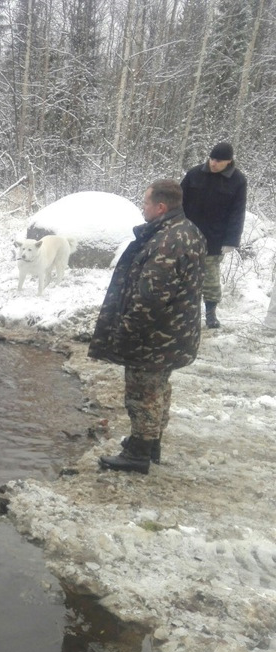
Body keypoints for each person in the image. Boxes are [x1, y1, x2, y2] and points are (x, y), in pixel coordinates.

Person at [88, 179, 205, 474]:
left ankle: (139, 454)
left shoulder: (167, 241)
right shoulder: (188, 231)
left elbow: (150, 297)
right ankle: (150, 442)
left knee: (143, 392)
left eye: (146, 202)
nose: (143, 207)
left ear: (161, 206)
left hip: (156, 335)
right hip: (176, 332)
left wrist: (127, 330)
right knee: (159, 388)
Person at [180, 141, 247, 329]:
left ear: (229, 161)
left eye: (218, 161)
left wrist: (231, 240)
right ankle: (183, 311)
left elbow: (237, 213)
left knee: (210, 276)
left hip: (215, 237)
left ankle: (210, 313)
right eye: (212, 159)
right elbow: (178, 200)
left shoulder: (238, 181)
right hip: (188, 234)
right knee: (184, 274)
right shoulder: (194, 174)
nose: (213, 163)